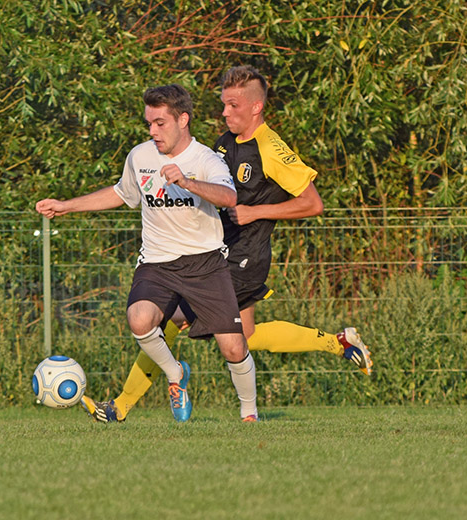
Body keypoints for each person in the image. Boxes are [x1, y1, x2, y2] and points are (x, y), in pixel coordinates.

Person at [80, 65, 373, 423]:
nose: (224, 112)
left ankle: (122, 406)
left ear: (255, 108)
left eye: (232, 105)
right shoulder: (224, 142)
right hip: (217, 248)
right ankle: (337, 342)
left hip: (243, 255)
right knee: (241, 337)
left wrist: (255, 212)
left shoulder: (271, 148)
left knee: (171, 321)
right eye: (223, 104)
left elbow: (313, 204)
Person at [36, 84, 259, 422]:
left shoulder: (204, 159)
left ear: (183, 120)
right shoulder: (140, 157)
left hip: (206, 264)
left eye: (160, 123)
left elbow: (228, 198)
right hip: (157, 263)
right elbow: (120, 193)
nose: (153, 132)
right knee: (139, 319)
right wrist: (67, 206)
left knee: (233, 347)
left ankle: (249, 414)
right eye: (149, 124)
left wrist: (186, 182)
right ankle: (175, 374)